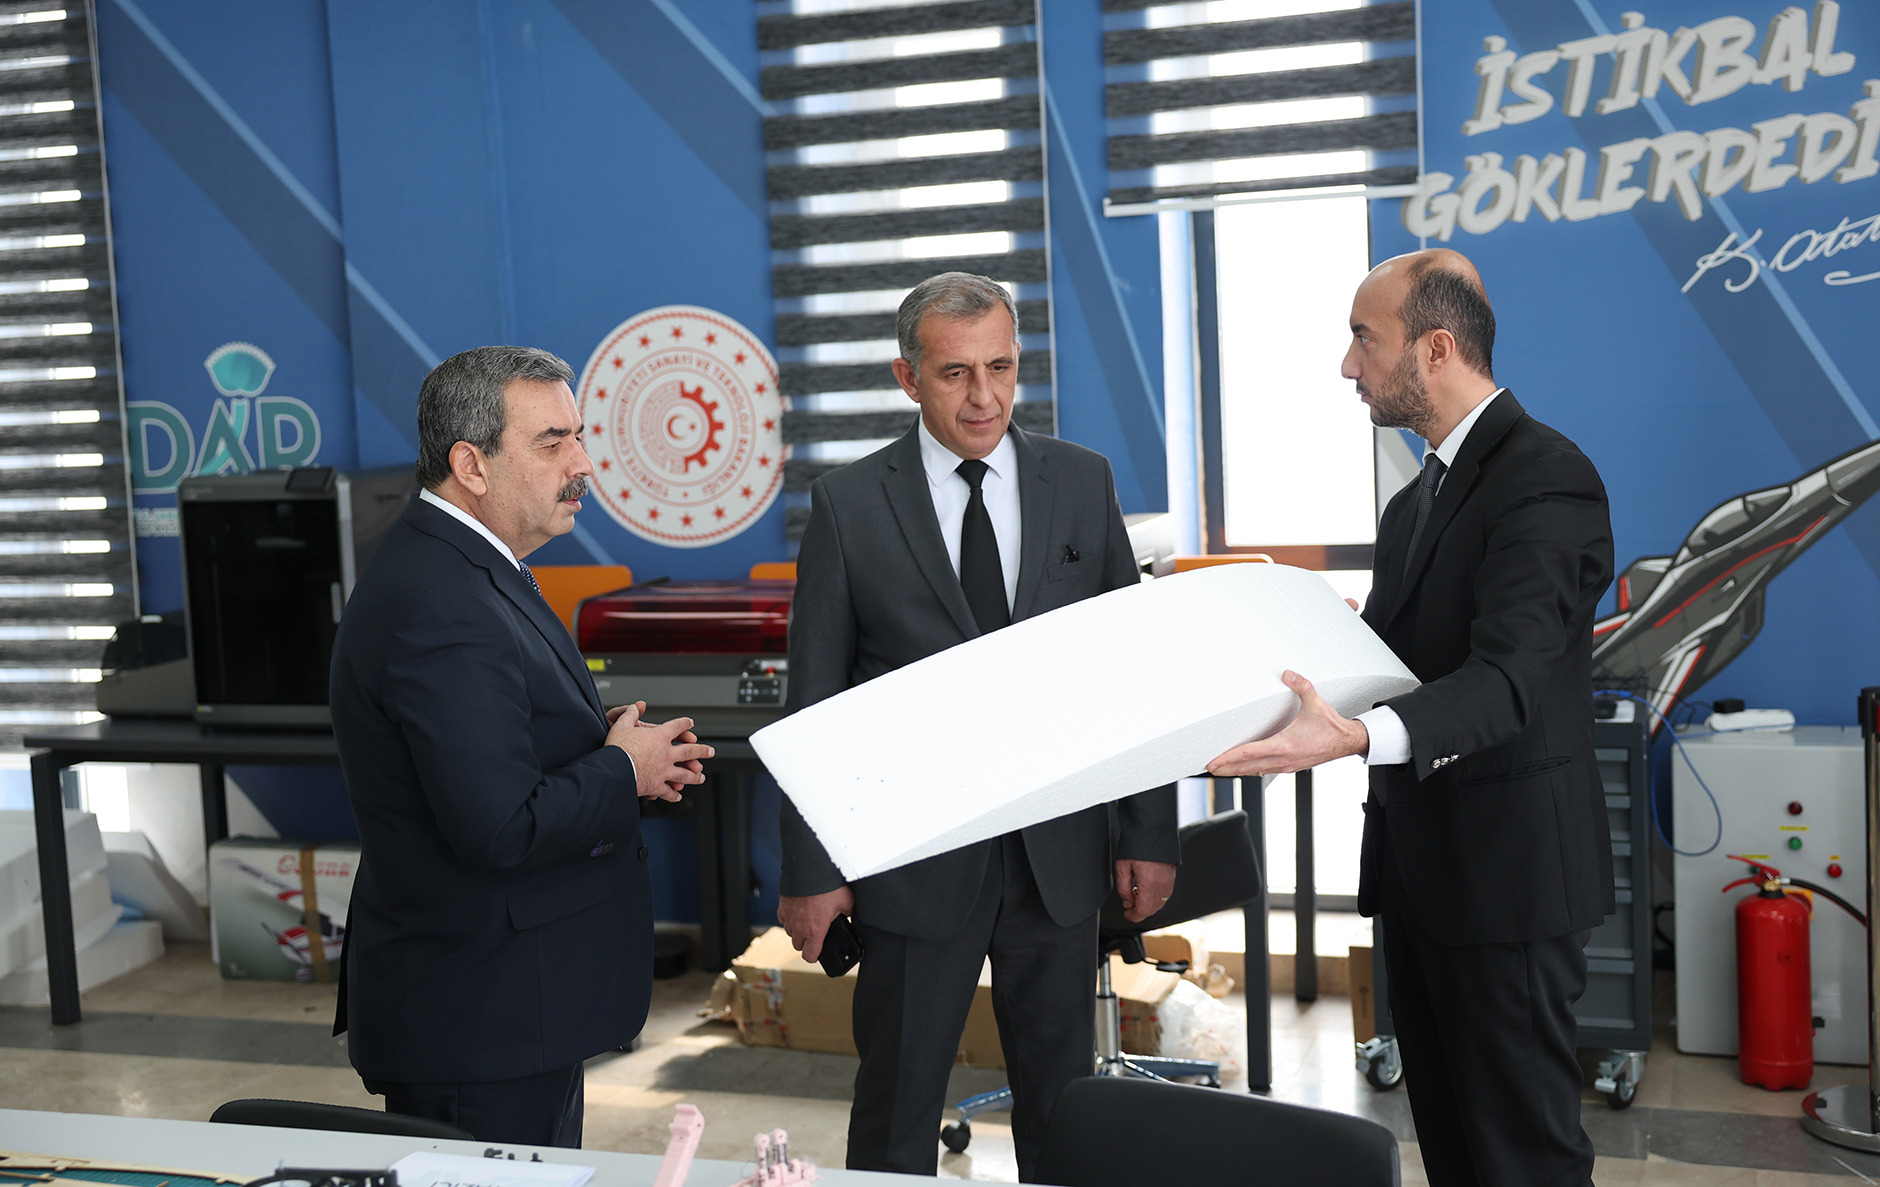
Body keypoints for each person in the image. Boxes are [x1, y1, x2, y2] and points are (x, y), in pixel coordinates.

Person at [1210, 250, 1614, 1186]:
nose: (1347, 365)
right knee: (1455, 1149)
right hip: (1424, 880)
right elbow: (1402, 662)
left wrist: (1355, 735)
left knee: (1526, 1160)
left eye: (1364, 338)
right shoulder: (1411, 505)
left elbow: (1507, 677)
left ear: (1435, 349)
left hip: (1508, 886)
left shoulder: (1546, 477)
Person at [778, 272, 1181, 1179]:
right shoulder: (847, 505)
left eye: (1000, 366)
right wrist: (812, 872)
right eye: (955, 372)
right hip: (914, 864)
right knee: (896, 1110)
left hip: (1057, 857)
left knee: (1064, 1110)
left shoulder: (1082, 482)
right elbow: (816, 705)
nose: (984, 396)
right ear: (907, 376)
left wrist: (1149, 831)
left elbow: (1133, 672)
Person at [329, 345, 712, 1146]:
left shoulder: (465, 565)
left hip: (507, 1007)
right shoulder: (441, 600)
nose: (582, 465)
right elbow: (500, 825)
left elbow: (498, 740)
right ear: (470, 464)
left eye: (580, 437)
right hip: (479, 1022)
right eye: (552, 443)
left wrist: (603, 742)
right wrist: (622, 767)